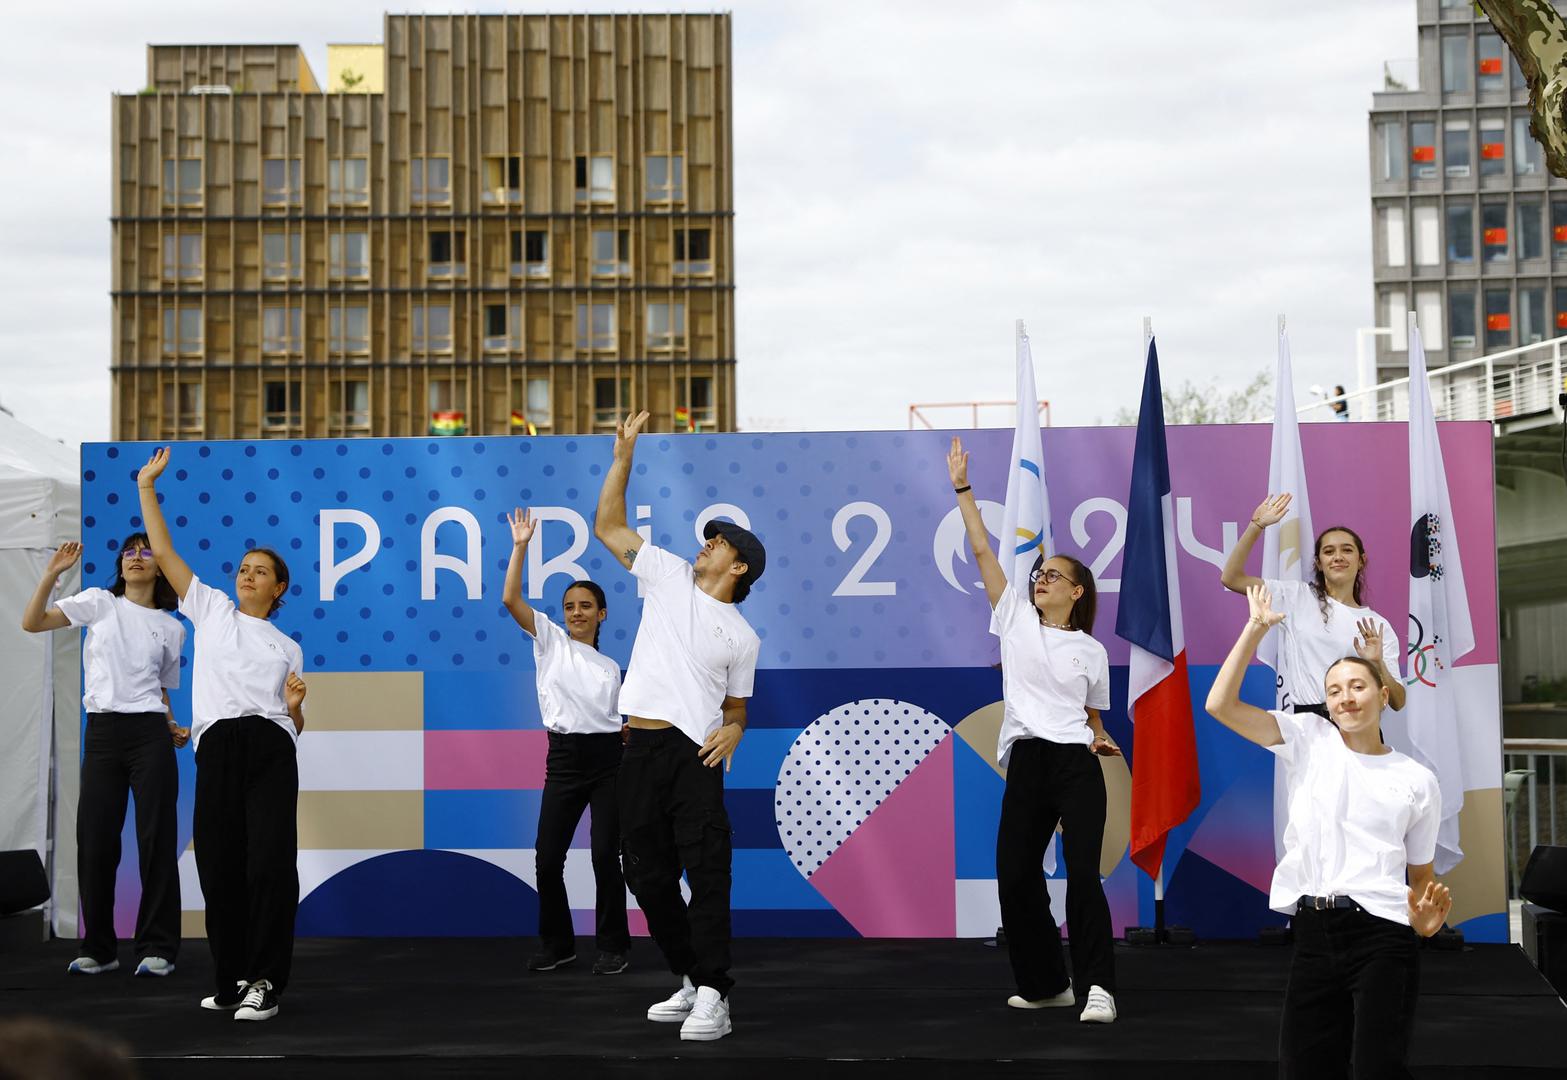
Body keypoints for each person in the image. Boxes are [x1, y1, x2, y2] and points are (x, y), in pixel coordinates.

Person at [1205, 584, 1452, 1078]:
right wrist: (1254, 628)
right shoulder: (1308, 737)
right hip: (1314, 931)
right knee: (1302, 1068)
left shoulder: (1417, 779)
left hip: (1384, 933)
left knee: (1376, 1068)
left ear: (1383, 695)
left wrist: (1429, 923)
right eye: (1334, 691)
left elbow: (1421, 877)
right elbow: (1220, 705)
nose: (1345, 699)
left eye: (1357, 687)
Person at [592, 411, 763, 1043]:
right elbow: (607, 524)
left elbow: (737, 708)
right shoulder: (664, 575)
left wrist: (736, 730)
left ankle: (715, 993)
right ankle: (690, 975)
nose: (705, 544)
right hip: (637, 748)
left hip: (695, 759)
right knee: (646, 873)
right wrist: (622, 459)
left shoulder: (744, 636)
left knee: (708, 873)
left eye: (718, 543)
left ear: (739, 566)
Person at [947, 437, 1121, 1025]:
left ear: (1078, 592)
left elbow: (1092, 712)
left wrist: (1100, 734)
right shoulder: (1015, 618)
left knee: (1082, 876)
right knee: (1015, 874)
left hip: (1077, 762)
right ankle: (1049, 983)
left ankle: (1099, 987)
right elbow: (979, 549)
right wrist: (964, 491)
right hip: (1028, 761)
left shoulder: (1093, 651)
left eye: (1054, 575)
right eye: (1039, 572)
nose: (1040, 579)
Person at [135, 447, 307, 1023]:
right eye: (243, 568)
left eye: (260, 571)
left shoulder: (287, 647)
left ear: (279, 587)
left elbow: (292, 724)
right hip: (217, 746)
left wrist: (294, 710)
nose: (247, 575)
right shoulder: (210, 609)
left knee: (269, 866)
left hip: (271, 746)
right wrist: (146, 488)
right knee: (218, 864)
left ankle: (266, 982)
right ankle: (232, 978)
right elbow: (162, 551)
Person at [21, 536, 186, 978]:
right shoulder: (99, 602)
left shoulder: (172, 627)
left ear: (159, 568)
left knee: (156, 840)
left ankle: (159, 948)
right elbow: (32, 623)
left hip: (150, 733)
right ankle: (99, 948)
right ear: (120, 565)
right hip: (103, 733)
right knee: (95, 842)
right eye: (129, 552)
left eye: (146, 552)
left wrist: (170, 724)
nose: (136, 557)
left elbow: (161, 687)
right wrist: (53, 573)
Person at [501, 508, 631, 976]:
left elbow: (622, 722)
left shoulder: (613, 667)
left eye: (585, 606)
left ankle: (614, 946)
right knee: (547, 855)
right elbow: (510, 597)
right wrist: (520, 546)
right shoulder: (549, 641)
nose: (576, 613)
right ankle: (558, 944)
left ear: (602, 613)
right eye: (570, 606)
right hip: (564, 760)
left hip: (608, 763)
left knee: (603, 856)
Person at [1220, 497, 1405, 719]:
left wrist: (1377, 663)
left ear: (1361, 560)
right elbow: (1231, 578)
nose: (1338, 557)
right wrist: (1256, 526)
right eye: (1328, 552)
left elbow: (1397, 701)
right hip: (1309, 728)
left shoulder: (1378, 624)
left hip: (1361, 732)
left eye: (1346, 550)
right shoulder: (1296, 596)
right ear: (1318, 563)